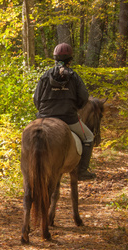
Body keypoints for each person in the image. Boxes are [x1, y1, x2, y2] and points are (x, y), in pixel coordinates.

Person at [33, 43, 96, 181]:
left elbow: (36, 99)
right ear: (70, 60)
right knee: (89, 137)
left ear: (54, 59)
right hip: (68, 118)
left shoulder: (45, 76)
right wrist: (76, 108)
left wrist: (43, 112)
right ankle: (82, 171)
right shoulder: (74, 76)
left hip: (44, 117)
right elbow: (84, 97)